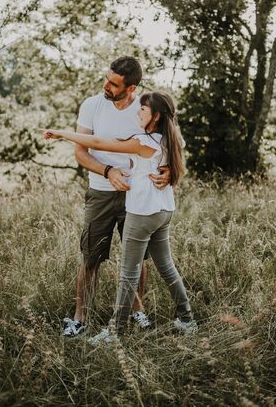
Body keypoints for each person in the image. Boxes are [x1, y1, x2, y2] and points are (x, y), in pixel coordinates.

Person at [43, 90, 197, 342]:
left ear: (155, 116)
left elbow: (100, 143)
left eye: (143, 110)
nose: (138, 112)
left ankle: (116, 331)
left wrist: (61, 133)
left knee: (128, 274)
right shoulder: (172, 137)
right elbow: (179, 148)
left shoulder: (142, 142)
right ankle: (187, 320)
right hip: (164, 211)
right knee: (167, 267)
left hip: (143, 213)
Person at [54, 57, 170, 337]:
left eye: (113, 83)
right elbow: (82, 151)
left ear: (131, 88)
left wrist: (167, 171)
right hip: (101, 193)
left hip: (139, 196)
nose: (106, 85)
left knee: (137, 258)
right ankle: (79, 317)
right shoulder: (91, 105)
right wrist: (107, 171)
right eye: (106, 78)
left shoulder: (146, 108)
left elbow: (167, 145)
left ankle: (136, 311)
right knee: (91, 256)